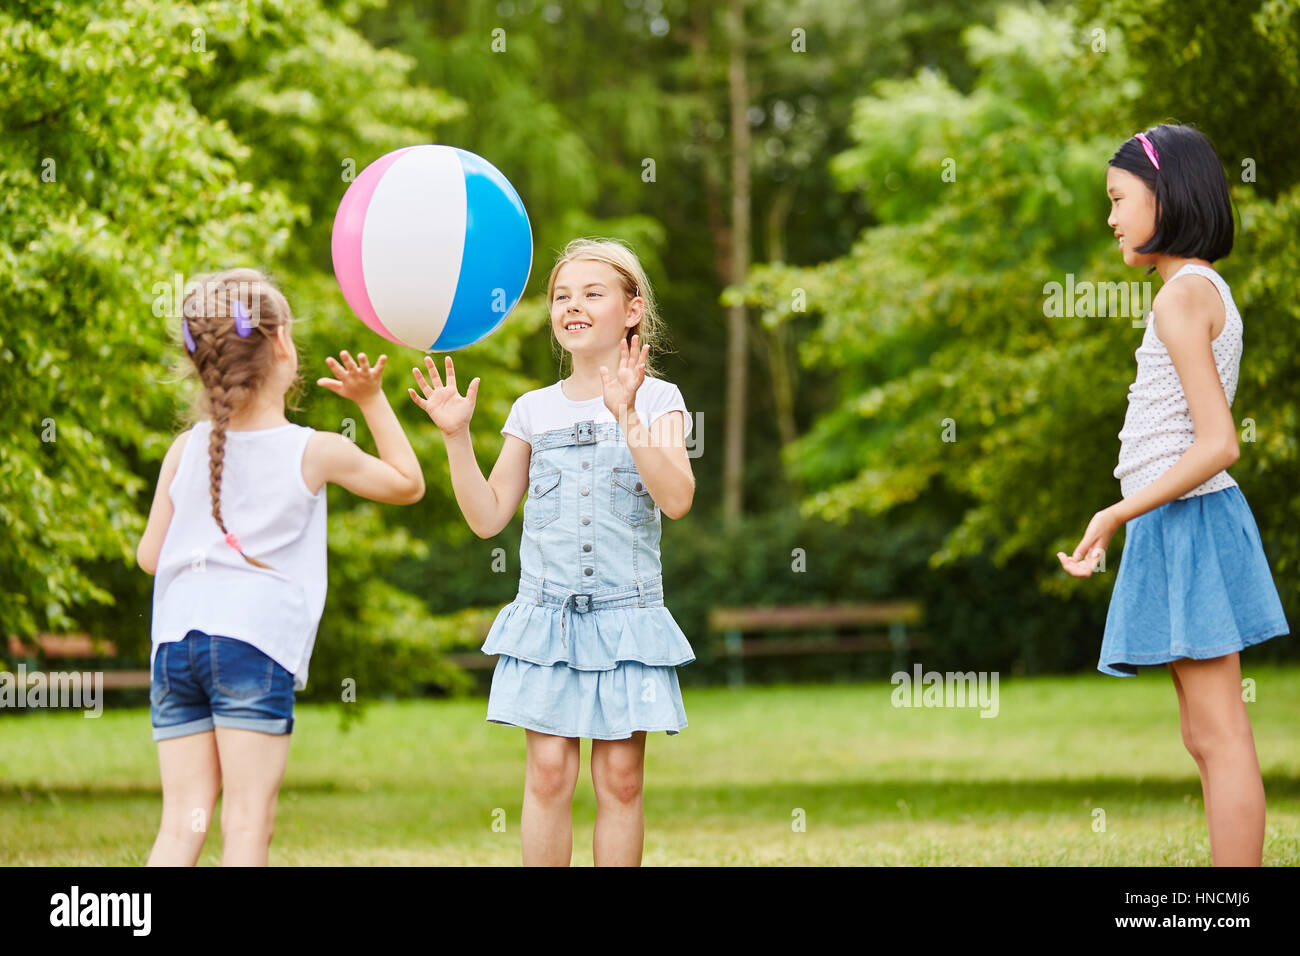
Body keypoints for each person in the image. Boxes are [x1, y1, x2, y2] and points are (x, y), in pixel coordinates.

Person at [409, 238, 696, 866]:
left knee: (620, 777)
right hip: (548, 619)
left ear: (630, 310)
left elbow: (676, 498)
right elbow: (487, 518)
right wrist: (457, 436)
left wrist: (627, 417)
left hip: (628, 618)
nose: (573, 305)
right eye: (561, 296)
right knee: (546, 774)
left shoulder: (659, 401)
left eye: (593, 293)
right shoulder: (532, 410)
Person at [136, 268, 424, 865]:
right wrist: (370, 400)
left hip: (174, 647)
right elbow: (407, 484)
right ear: (283, 346)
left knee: (182, 823)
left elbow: (148, 557)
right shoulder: (314, 449)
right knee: (246, 825)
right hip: (251, 646)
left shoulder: (184, 447)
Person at [1058, 126, 1290, 865]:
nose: (1111, 218)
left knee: (1220, 735)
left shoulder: (1180, 298)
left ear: (1169, 196)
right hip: (1179, 522)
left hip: (1187, 519)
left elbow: (1220, 442)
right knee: (1205, 733)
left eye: (1120, 199)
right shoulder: (1194, 291)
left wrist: (1115, 511)